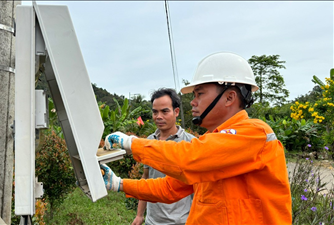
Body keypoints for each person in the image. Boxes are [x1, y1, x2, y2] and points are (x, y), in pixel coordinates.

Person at [101, 52, 292, 225]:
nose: (192, 102)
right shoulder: (212, 141)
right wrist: (120, 184)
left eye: (199, 93)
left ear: (229, 98)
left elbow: (187, 159)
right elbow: (169, 188)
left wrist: (130, 143)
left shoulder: (253, 133)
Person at [132, 88, 195, 225]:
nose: (158, 116)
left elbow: (198, 187)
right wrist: (139, 215)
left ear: (176, 112)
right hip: (152, 221)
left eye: (164, 111)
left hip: (181, 221)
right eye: (155, 112)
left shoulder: (191, 142)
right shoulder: (149, 142)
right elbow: (146, 178)